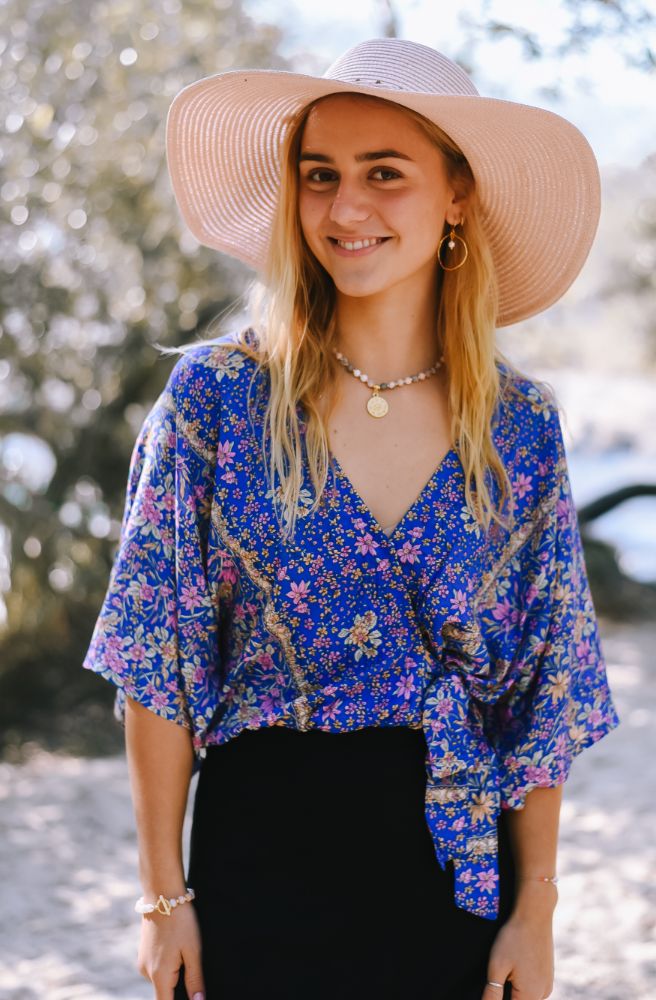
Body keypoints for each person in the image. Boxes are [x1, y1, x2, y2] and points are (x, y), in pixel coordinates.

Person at [83, 38, 621, 1000]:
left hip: (456, 880)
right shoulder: (219, 401)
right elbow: (155, 665)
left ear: (457, 193)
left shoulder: (518, 427)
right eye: (319, 175)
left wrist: (537, 911)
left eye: (386, 173)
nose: (346, 208)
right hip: (258, 872)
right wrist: (163, 901)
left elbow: (543, 697)